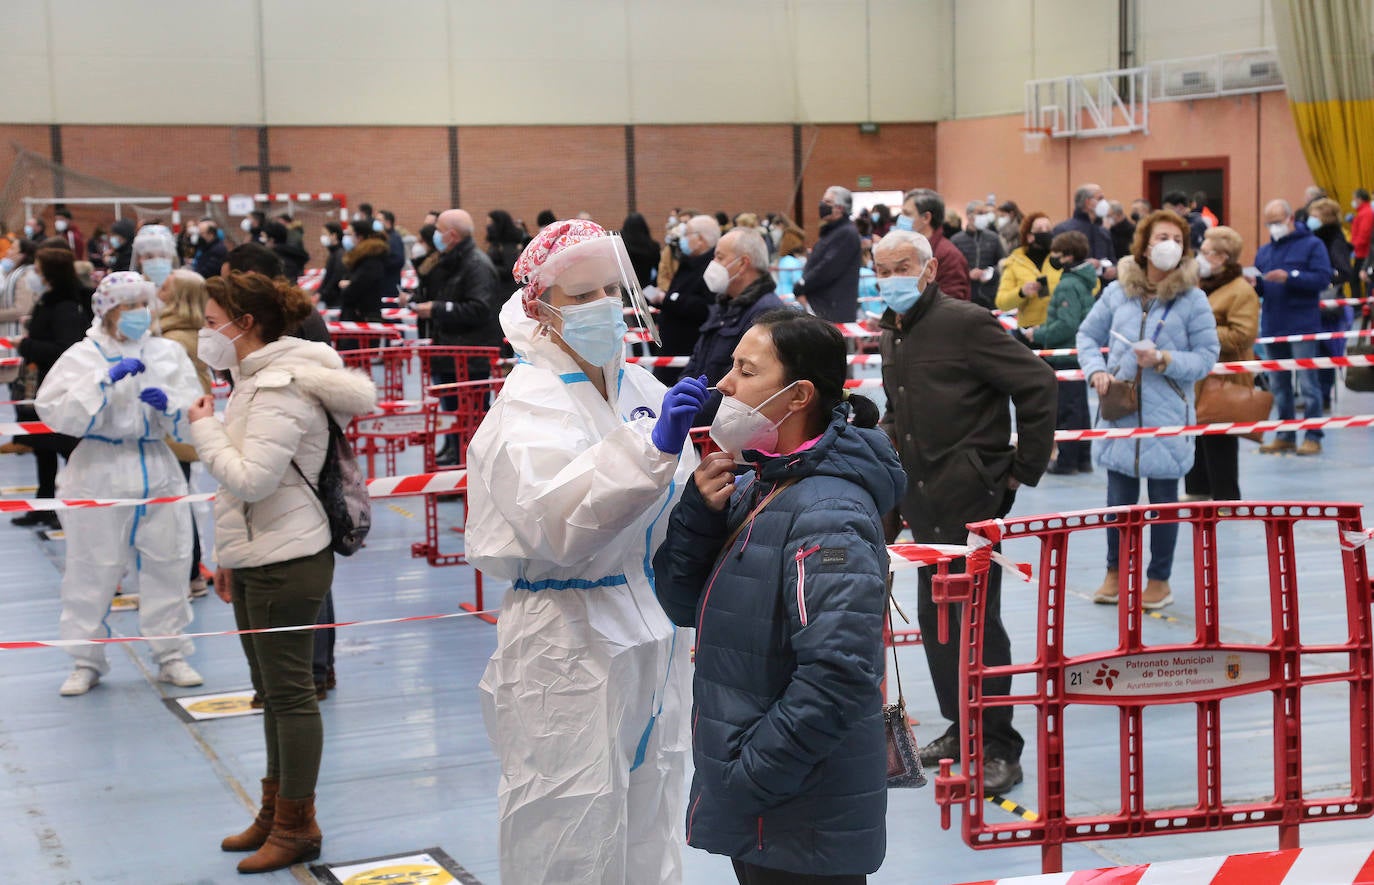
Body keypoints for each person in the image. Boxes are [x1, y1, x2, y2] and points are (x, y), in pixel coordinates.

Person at [465, 219, 704, 885]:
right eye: (581, 295)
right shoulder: (529, 404)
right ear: (541, 308)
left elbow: (675, 504)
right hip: (564, 639)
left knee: (652, 800)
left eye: (610, 289)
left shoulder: (638, 389)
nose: (603, 306)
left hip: (651, 627)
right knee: (567, 815)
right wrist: (650, 452)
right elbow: (557, 525)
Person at [653, 310, 903, 884]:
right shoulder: (765, 482)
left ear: (798, 396)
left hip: (798, 812)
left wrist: (750, 775)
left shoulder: (828, 514)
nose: (724, 386)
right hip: (772, 812)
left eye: (745, 370)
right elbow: (683, 603)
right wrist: (699, 514)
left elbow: (839, 676)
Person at [189, 271, 376, 874]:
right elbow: (245, 498)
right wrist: (228, 559)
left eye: (212, 318)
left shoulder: (279, 390)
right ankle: (275, 813)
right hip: (257, 555)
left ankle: (297, 824)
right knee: (270, 694)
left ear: (245, 325)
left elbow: (250, 479)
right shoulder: (253, 380)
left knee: (291, 696)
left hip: (286, 561)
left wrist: (203, 428)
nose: (204, 331)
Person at [873, 228, 1057, 795]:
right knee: (937, 620)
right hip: (919, 499)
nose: (890, 280)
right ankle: (963, 727)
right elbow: (900, 411)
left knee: (978, 623)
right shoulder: (893, 332)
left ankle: (1000, 746)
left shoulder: (966, 324)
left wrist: (1018, 470)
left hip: (970, 500)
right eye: (881, 270)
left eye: (901, 267)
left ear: (928, 271)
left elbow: (1038, 383)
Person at [35, 271, 204, 695]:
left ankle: (171, 654)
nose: (137, 315)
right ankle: (85, 659)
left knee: (169, 561)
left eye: (141, 305)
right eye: (127, 307)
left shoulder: (167, 353)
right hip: (98, 466)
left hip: (156, 463)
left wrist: (171, 408)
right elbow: (54, 411)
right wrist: (102, 383)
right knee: (91, 567)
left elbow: (193, 414)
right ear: (108, 312)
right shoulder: (82, 355)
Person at [1078, 211, 1220, 610]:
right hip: (1120, 411)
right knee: (1118, 504)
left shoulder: (1193, 300)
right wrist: (1096, 372)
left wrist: (1163, 359)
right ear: (1144, 244)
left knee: (1164, 504)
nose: (1169, 243)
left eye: (1177, 237)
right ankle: (1114, 572)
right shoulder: (1117, 293)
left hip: (1168, 417)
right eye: (1162, 236)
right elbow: (1087, 335)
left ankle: (1159, 580)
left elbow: (1207, 358)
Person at [410, 208, 502, 466]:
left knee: (470, 417)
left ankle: (467, 467)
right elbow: (433, 289)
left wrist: (437, 309)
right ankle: (453, 451)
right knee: (451, 412)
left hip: (470, 357)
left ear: (451, 235)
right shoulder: (447, 261)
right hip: (447, 352)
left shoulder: (477, 266)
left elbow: (479, 308)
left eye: (438, 230)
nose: (434, 235)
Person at [12, 247, 91, 528]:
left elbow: (65, 347)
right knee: (41, 449)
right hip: (38, 387)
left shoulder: (66, 305)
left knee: (65, 447)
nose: (34, 274)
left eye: (38, 268)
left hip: (58, 388)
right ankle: (44, 505)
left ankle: (73, 503)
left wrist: (27, 345)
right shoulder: (47, 301)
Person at [1184, 226, 1259, 502]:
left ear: (1222, 256)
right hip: (1199, 376)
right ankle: (1197, 491)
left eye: (1205, 252)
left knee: (1220, 442)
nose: (1199, 257)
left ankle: (1226, 499)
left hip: (1225, 379)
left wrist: (1200, 332)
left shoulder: (1241, 291)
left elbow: (1242, 335)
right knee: (1197, 436)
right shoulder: (1204, 286)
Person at [680, 227, 785, 422]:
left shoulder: (766, 314)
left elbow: (746, 386)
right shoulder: (724, 306)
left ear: (743, 264)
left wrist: (693, 418)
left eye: (719, 257)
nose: (713, 264)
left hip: (723, 428)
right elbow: (696, 363)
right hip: (700, 423)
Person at [1254, 199, 1332, 456]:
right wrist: (1254, 284)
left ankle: (1313, 435)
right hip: (1273, 325)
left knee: (1309, 384)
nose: (1273, 227)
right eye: (1269, 223)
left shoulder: (1312, 245)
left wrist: (1292, 277)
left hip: (1303, 325)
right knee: (1279, 385)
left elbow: (1323, 278)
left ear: (1289, 218)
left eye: (1277, 221)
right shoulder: (1264, 251)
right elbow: (1263, 286)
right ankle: (1285, 435)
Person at [156, 268, 214, 597]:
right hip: (185, 430)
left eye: (165, 287)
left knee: (177, 505)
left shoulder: (174, 339)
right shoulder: (189, 333)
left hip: (175, 432)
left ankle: (191, 573)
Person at [1024, 230, 1096, 474]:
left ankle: (1067, 461)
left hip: (1065, 353)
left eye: (1056, 254)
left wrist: (1039, 334)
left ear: (1067, 256)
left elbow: (1067, 323)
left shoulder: (1067, 285)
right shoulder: (1085, 281)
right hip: (1077, 352)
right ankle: (1083, 458)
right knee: (1080, 409)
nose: (1052, 258)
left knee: (1067, 410)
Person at [648, 213, 718, 383]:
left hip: (689, 351)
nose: (683, 240)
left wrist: (670, 299)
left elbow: (705, 308)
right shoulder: (688, 263)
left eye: (687, 235)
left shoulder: (711, 269)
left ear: (700, 239)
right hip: (672, 346)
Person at [1306, 197, 1355, 409]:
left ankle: (1322, 396)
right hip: (1312, 301)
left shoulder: (1334, 240)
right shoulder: (1314, 238)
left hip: (1328, 304)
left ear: (1325, 218)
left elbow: (1344, 271)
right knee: (1314, 350)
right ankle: (1315, 396)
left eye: (1315, 216)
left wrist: (1320, 277)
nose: (1310, 220)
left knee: (1323, 351)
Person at [793, 186, 862, 321]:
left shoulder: (846, 233)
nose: (822, 204)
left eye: (828, 202)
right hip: (822, 304)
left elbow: (828, 267)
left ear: (840, 208)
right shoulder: (831, 232)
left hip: (832, 308)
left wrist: (802, 285)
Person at [896, 188, 970, 302]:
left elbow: (953, 303)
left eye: (907, 214)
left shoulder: (949, 255)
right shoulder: (908, 248)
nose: (901, 218)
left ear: (926, 218)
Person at [995, 212, 1061, 330]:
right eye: (1040, 229)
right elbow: (1001, 302)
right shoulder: (1014, 263)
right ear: (1029, 237)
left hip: (1059, 327)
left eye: (1048, 228)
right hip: (1029, 330)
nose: (1045, 232)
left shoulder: (1061, 258)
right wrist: (1021, 292)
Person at [1052, 183, 1116, 279]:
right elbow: (1056, 263)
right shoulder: (1064, 230)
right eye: (1100, 198)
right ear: (1088, 202)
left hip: (1103, 288)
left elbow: (1112, 259)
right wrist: (1083, 264)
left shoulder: (1103, 231)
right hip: (1077, 288)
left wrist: (1114, 270)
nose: (1104, 202)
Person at [951, 199, 1005, 309]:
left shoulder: (993, 238)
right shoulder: (956, 240)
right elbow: (952, 268)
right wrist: (968, 273)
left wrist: (990, 272)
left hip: (990, 295)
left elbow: (1003, 263)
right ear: (969, 216)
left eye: (986, 213)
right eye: (980, 213)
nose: (984, 217)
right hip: (966, 295)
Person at [339, 220, 388, 325]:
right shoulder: (358, 258)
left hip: (363, 317)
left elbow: (356, 287)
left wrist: (347, 286)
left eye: (350, 234)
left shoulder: (371, 260)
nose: (348, 238)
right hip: (357, 315)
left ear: (359, 237)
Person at [485, 209, 526, 295]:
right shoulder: (496, 243)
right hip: (498, 290)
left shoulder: (508, 245)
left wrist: (488, 268)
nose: (488, 226)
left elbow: (509, 269)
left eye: (491, 223)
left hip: (507, 292)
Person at [132, 223, 180, 290]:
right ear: (139, 259)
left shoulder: (182, 291)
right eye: (149, 257)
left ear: (172, 257)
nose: (157, 262)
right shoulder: (132, 290)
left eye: (163, 256)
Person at [619, 211, 660, 289]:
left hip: (626, 287)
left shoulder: (622, 245)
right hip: (645, 288)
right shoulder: (653, 246)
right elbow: (659, 269)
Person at [773, 217, 806, 297]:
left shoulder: (783, 260)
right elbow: (799, 283)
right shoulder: (793, 262)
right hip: (791, 298)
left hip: (780, 295)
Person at [317, 222, 346, 309]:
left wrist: (323, 293)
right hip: (331, 299)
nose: (322, 237)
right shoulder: (333, 254)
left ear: (334, 235)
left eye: (325, 234)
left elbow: (335, 276)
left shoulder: (339, 254)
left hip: (335, 300)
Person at [1353, 189, 1373, 301]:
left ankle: (1359, 306)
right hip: (1362, 251)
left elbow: (1365, 234)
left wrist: (1354, 246)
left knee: (1357, 279)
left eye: (1354, 198)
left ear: (1360, 199)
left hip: (1364, 252)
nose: (1353, 201)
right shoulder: (1363, 212)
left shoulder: (1366, 213)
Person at [1106, 200, 1136, 265]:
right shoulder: (1109, 230)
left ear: (1118, 215)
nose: (1106, 219)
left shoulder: (1132, 230)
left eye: (1108, 216)